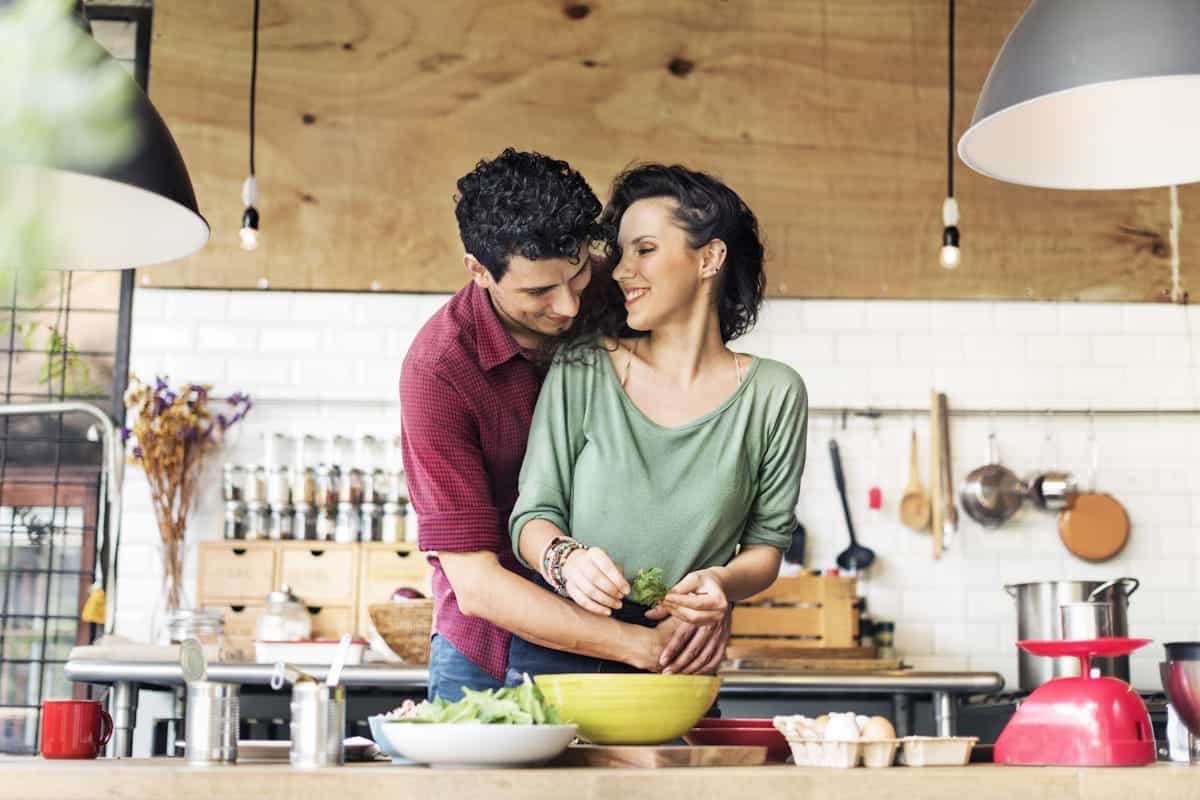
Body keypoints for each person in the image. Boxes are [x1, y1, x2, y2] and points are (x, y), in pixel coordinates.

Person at [400, 150, 718, 702]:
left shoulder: (618, 294)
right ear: (479, 270)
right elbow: (476, 585)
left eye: (576, 274)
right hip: (498, 651)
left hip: (647, 625)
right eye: (537, 293)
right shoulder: (438, 372)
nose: (569, 307)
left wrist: (713, 600)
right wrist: (639, 647)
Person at [508, 163, 808, 678]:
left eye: (644, 250)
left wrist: (720, 585)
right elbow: (532, 516)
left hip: (680, 654)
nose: (622, 271)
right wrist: (567, 560)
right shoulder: (584, 366)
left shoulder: (774, 394)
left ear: (710, 258)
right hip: (565, 647)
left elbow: (765, 549)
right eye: (622, 253)